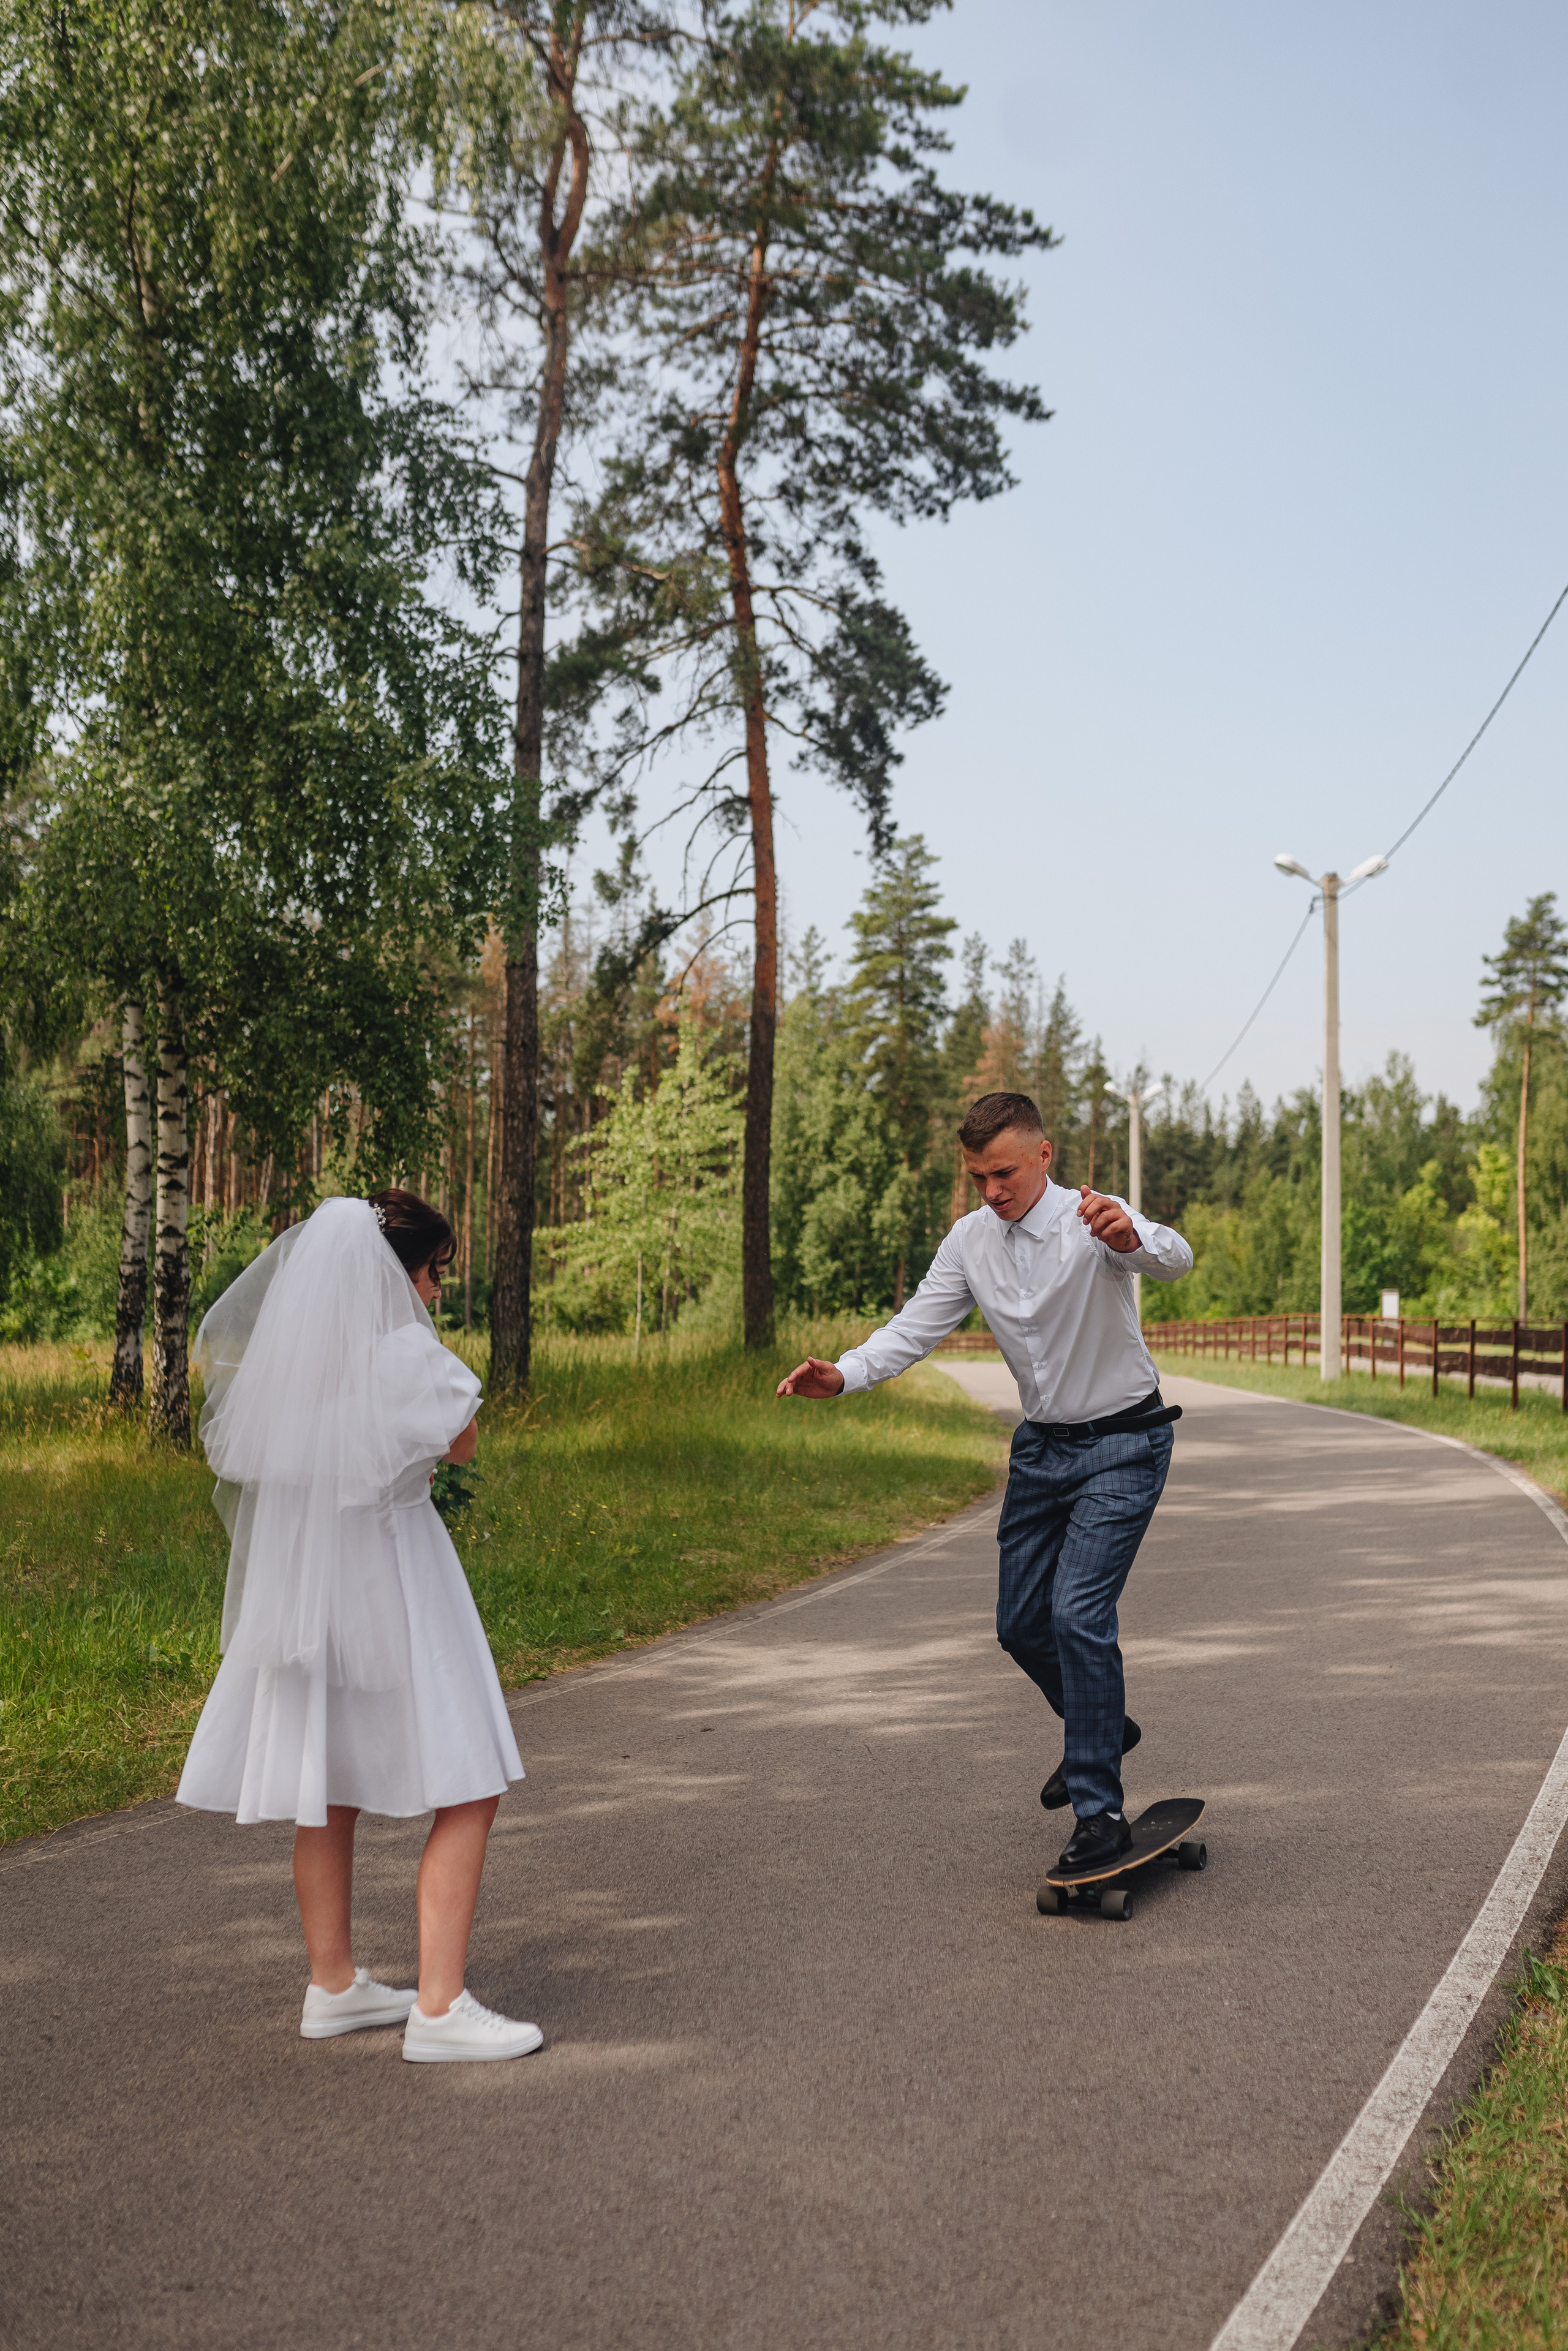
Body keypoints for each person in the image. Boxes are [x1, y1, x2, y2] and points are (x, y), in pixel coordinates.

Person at [777, 1090, 1193, 1873]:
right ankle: (1102, 1724)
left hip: (1124, 1442)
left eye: (1004, 1172)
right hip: (1041, 1451)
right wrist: (846, 1373)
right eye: (977, 1177)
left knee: (1077, 1614)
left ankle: (1099, 1814)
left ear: (1043, 1155)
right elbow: (914, 1327)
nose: (992, 1190)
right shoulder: (970, 1240)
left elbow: (1174, 1258)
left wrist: (1134, 1235)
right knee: (1019, 1623)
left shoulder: (1092, 1217)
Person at [176, 1190, 541, 2062]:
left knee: (327, 1782)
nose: (434, 1291)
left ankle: (333, 1985)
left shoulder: (300, 1362)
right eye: (432, 1272)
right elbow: (462, 1441)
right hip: (398, 1576)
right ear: (394, 1273)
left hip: (313, 1590)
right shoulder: (404, 1352)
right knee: (470, 1781)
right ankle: (440, 2007)